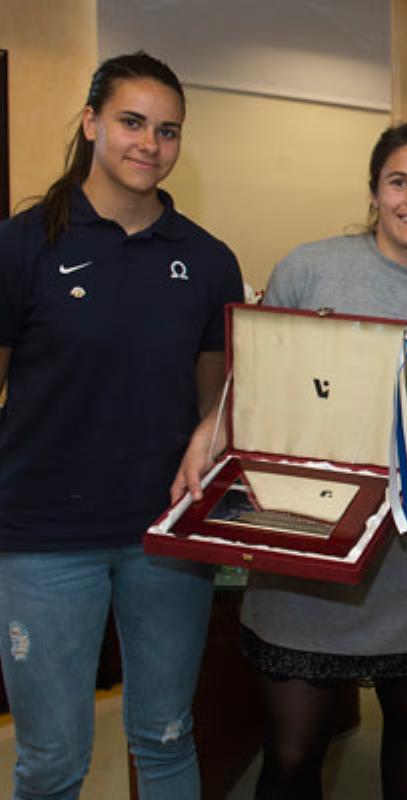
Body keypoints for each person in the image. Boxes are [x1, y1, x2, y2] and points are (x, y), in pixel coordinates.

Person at [0, 52, 243, 798]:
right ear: (91, 123)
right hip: (41, 540)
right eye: (132, 123)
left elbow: (210, 406)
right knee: (52, 759)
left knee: (166, 738)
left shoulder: (207, 260)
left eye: (168, 131)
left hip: (166, 539)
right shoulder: (22, 245)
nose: (150, 144)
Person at [237, 122, 407, 800]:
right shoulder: (309, 268)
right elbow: (257, 389)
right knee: (291, 752)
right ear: (374, 191)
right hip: (305, 552)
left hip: (405, 565)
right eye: (399, 181)